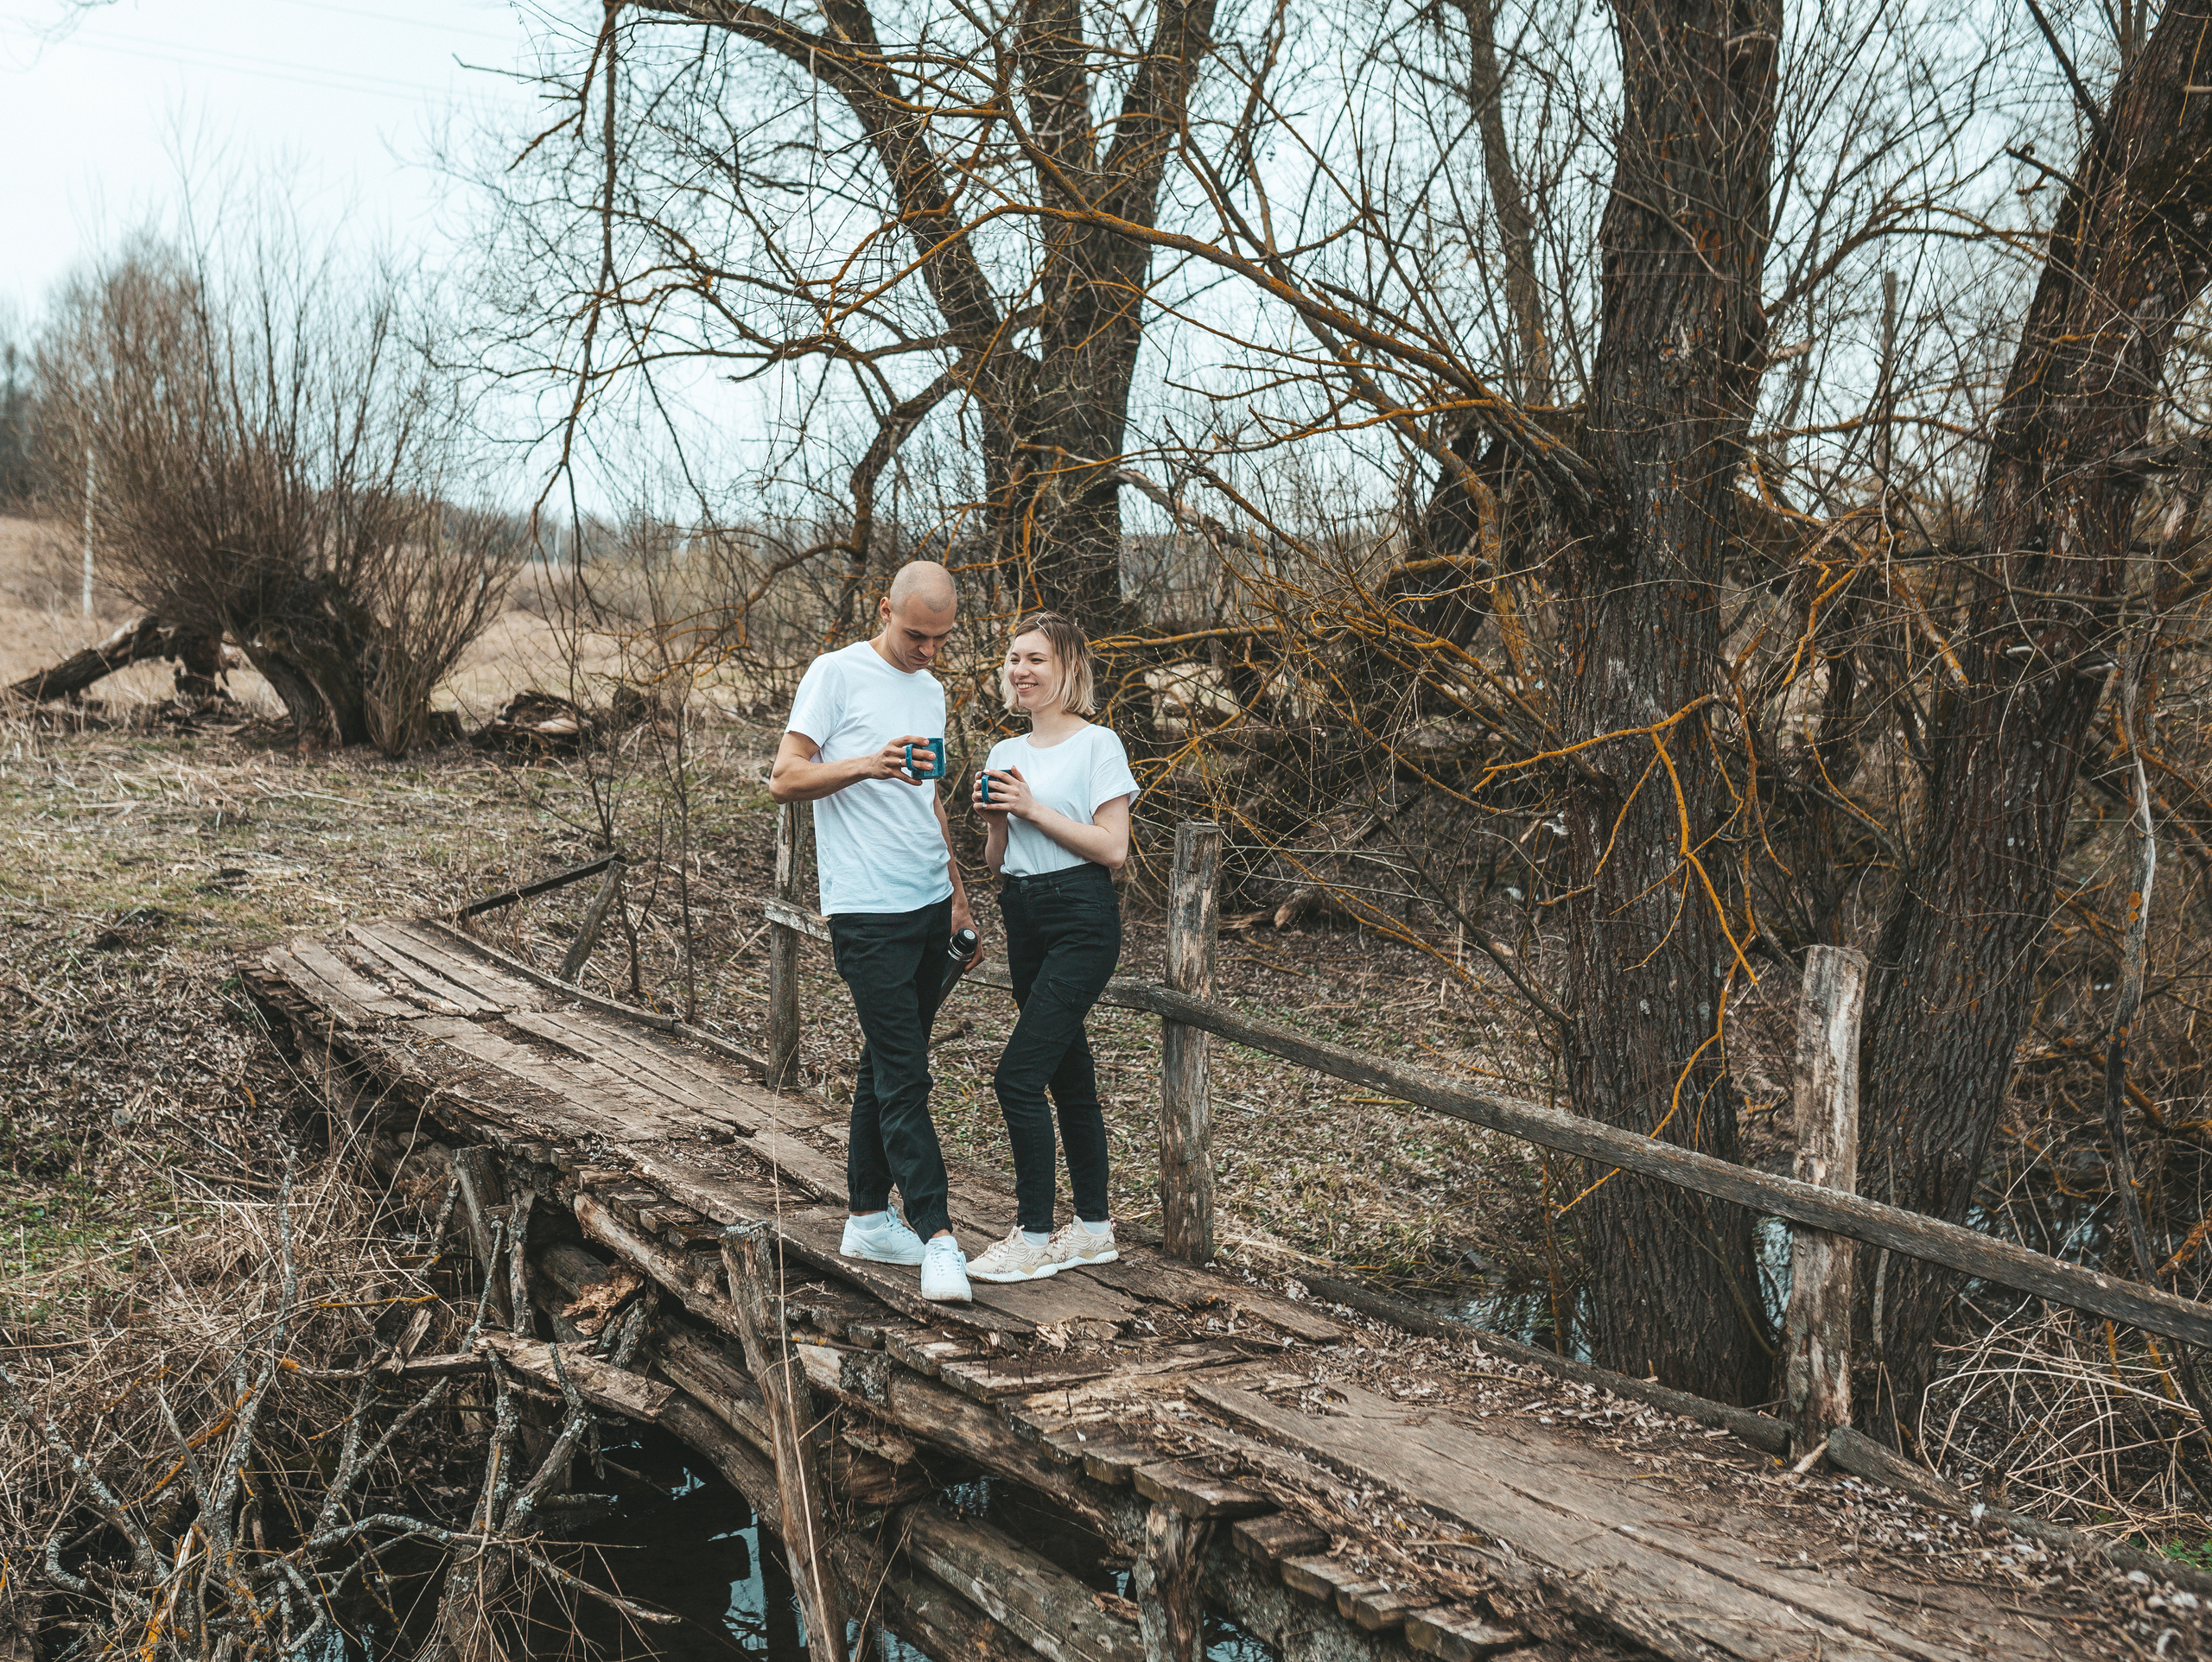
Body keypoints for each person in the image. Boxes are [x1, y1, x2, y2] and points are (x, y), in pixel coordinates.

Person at [771, 561, 982, 1304]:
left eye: (942, 638)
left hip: (928, 902)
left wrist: (958, 895)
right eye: (916, 635)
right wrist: (865, 763)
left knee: (890, 1062)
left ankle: (866, 1215)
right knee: (906, 1073)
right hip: (865, 910)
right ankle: (939, 1236)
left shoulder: (933, 692)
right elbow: (784, 777)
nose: (928, 651)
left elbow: (930, 804)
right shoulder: (835, 674)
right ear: (884, 608)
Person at [964, 611, 1138, 1282]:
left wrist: (1035, 808)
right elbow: (998, 862)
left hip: (1081, 919)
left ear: (1068, 667)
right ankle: (1093, 1229)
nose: (1021, 671)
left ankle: (1033, 1236)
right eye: (1013, 659)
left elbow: (1113, 849)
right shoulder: (1004, 753)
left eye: (1035, 659)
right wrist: (997, 824)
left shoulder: (1099, 745)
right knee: (1070, 1079)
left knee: (1017, 1077)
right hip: (1025, 916)